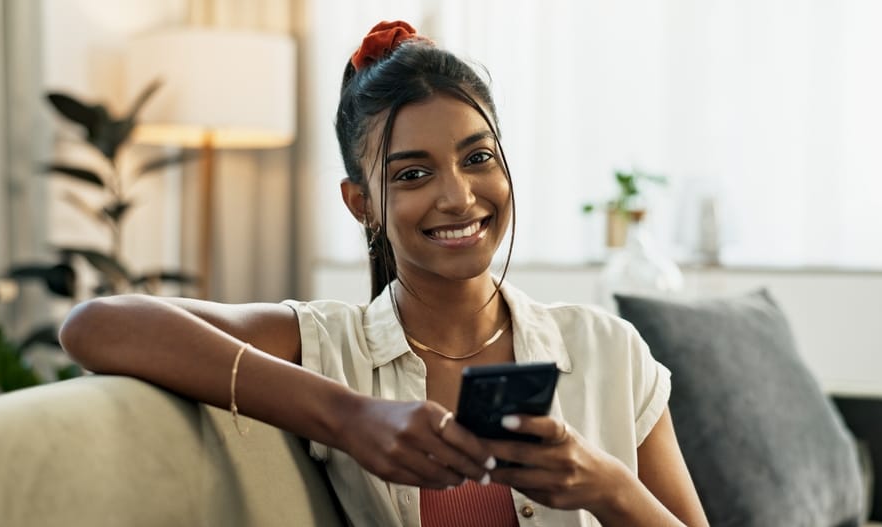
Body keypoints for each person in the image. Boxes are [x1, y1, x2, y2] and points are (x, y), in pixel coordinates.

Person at [59, 20, 708, 527]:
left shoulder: (609, 350)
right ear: (360, 202)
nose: (458, 196)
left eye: (477, 156)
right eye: (413, 173)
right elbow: (96, 326)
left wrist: (608, 485)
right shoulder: (329, 349)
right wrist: (350, 418)